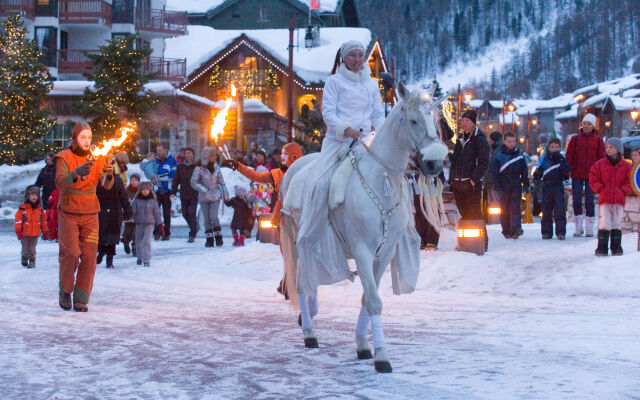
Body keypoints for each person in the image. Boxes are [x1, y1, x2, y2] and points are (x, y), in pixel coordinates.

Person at [289, 40, 385, 274]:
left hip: (365, 144)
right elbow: (329, 113)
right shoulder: (334, 81)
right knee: (323, 182)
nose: (356, 59)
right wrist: (346, 129)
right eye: (352, 55)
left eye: (360, 55)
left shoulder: (372, 84)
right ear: (344, 58)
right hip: (339, 142)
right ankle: (312, 230)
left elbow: (378, 113)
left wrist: (379, 134)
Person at [222, 141, 303, 295]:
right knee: (286, 253)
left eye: (286, 154)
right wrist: (238, 166)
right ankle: (288, 283)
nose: (282, 156)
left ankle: (291, 283)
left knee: (297, 253)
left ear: (294, 156)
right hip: (283, 218)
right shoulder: (277, 173)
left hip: (300, 217)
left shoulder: (304, 173)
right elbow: (257, 176)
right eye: (282, 153)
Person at [54, 121, 115, 312]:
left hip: (90, 213)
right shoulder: (64, 157)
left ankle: (81, 297)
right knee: (71, 253)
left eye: (89, 137)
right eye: (83, 137)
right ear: (74, 139)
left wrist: (110, 175)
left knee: (89, 257)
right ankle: (65, 290)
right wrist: (75, 173)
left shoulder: (99, 157)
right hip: (69, 212)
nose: (87, 141)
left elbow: (106, 185)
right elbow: (59, 183)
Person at [450, 109, 490, 245]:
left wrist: (474, 179)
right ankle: (468, 241)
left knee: (475, 213)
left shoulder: (479, 139)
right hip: (458, 183)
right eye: (463, 120)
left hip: (471, 184)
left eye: (467, 121)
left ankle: (482, 241)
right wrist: (452, 180)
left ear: (473, 123)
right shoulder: (460, 139)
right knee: (463, 212)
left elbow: (484, 162)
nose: (464, 123)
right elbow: (454, 161)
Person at [589, 138, 632, 256]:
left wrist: (623, 191)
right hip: (605, 199)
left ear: (618, 149)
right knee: (605, 222)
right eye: (607, 147)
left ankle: (616, 247)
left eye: (611, 147)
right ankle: (601, 248)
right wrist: (600, 189)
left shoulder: (626, 166)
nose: (608, 149)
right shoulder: (600, 164)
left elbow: (630, 181)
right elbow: (593, 178)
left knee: (616, 223)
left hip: (618, 199)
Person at [566, 113, 605, 237]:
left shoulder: (598, 140)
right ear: (581, 125)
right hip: (577, 173)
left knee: (589, 200)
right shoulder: (575, 139)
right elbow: (569, 155)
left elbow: (601, 158)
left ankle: (589, 227)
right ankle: (578, 226)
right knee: (576, 200)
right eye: (584, 123)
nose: (586, 126)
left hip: (592, 175)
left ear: (593, 126)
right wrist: (568, 170)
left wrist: (600, 173)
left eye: (589, 124)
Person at [491, 131, 529, 239]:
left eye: (513, 141)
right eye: (509, 141)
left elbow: (524, 171)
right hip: (504, 185)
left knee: (515, 207)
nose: (511, 144)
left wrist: (526, 185)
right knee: (504, 209)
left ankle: (516, 229)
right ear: (504, 141)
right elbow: (494, 173)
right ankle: (507, 230)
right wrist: (497, 187)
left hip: (516, 184)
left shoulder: (519, 155)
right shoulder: (499, 156)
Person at [533, 138, 571, 240]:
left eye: (556, 147)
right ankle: (546, 232)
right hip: (546, 187)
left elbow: (566, 172)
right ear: (548, 148)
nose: (554, 149)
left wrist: (562, 162)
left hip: (558, 187)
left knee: (559, 211)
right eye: (552, 147)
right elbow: (539, 172)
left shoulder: (562, 159)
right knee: (546, 211)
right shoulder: (545, 160)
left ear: (560, 148)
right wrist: (536, 175)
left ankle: (560, 232)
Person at [191, 147, 229, 247]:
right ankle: (209, 239)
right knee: (206, 219)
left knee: (214, 216)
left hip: (215, 195)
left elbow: (221, 181)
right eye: (213, 155)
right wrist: (204, 189)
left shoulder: (216, 167)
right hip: (204, 197)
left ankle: (218, 237)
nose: (215, 157)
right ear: (206, 156)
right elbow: (193, 182)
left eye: (215, 155)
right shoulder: (199, 168)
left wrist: (225, 193)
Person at [96, 173, 131, 269]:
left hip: (114, 211)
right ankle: (101, 251)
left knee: (113, 236)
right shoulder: (97, 178)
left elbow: (123, 196)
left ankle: (109, 259)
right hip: (100, 210)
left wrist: (127, 210)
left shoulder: (117, 180)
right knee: (101, 234)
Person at [131, 181, 163, 267]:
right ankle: (140, 257)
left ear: (150, 190)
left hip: (149, 223)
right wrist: (129, 216)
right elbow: (132, 211)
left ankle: (146, 260)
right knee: (138, 241)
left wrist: (160, 223)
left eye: (147, 189)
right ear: (140, 190)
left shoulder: (153, 201)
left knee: (147, 241)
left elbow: (157, 213)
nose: (145, 191)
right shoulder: (136, 200)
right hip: (139, 223)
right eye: (143, 189)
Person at [14, 185, 47, 268]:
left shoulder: (40, 210)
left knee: (32, 249)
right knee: (25, 249)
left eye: (36, 195)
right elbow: (18, 220)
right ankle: (24, 257)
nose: (34, 197)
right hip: (24, 233)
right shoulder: (22, 209)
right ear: (27, 196)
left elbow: (43, 221)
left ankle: (32, 260)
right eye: (32, 195)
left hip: (35, 234)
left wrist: (44, 231)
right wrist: (18, 230)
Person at [172, 147, 199, 242]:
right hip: (184, 193)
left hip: (194, 193)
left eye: (189, 153)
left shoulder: (197, 165)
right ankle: (194, 226)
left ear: (193, 154)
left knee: (192, 213)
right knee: (184, 213)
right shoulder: (181, 166)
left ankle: (192, 234)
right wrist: (173, 192)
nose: (188, 155)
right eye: (186, 153)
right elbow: (176, 180)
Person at [153, 144, 177, 240]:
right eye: (157, 150)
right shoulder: (155, 161)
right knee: (155, 212)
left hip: (167, 191)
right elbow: (151, 174)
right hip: (157, 190)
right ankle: (157, 232)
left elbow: (173, 175)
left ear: (165, 149)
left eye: (160, 150)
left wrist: (159, 177)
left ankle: (167, 233)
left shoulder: (172, 161)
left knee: (166, 213)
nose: (158, 152)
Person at [122, 173, 140, 256]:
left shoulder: (141, 191)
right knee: (127, 232)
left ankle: (135, 247)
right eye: (132, 180)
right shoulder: (126, 190)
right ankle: (126, 243)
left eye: (136, 180)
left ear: (138, 181)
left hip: (138, 215)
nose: (134, 182)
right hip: (128, 215)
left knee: (135, 233)